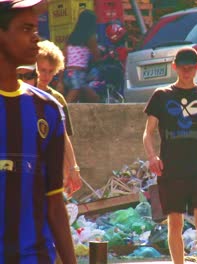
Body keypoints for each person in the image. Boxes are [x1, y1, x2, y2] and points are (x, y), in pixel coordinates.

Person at [0, 0, 76, 263]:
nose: (35, 38)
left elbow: (55, 203)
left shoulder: (48, 109)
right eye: (25, 29)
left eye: (36, 29)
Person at [143, 47, 197, 264]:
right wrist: (152, 157)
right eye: (182, 68)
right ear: (174, 67)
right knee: (175, 222)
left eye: (191, 68)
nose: (186, 72)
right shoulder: (161, 96)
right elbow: (147, 133)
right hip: (171, 169)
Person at [36, 40, 82, 196]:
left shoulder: (57, 100)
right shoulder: (22, 96)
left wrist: (72, 168)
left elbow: (63, 138)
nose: (46, 76)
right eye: (42, 70)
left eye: (50, 71)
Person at [61, 9, 100, 103]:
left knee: (92, 97)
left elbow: (64, 58)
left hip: (68, 73)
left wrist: (60, 80)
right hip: (78, 74)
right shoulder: (90, 38)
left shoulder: (71, 38)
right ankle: (63, 114)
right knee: (76, 93)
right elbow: (97, 57)